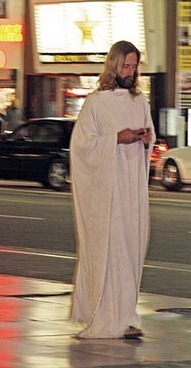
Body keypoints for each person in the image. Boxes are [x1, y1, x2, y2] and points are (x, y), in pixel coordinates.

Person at [70, 40, 155, 339]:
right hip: (107, 192)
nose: (130, 72)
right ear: (114, 66)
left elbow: (150, 134)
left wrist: (145, 139)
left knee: (131, 248)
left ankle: (128, 315)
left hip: (132, 189)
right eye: (126, 66)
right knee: (112, 249)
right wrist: (116, 138)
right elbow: (81, 145)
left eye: (134, 67)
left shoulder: (139, 100)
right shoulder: (96, 103)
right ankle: (107, 315)